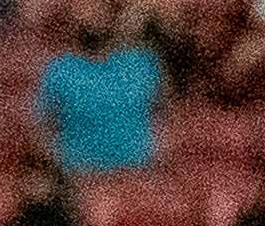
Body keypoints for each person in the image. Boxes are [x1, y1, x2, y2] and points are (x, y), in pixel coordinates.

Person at [35, 16, 166, 176]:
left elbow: (161, 114)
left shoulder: (141, 65)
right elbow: (45, 123)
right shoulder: (61, 70)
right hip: (82, 173)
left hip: (133, 172)